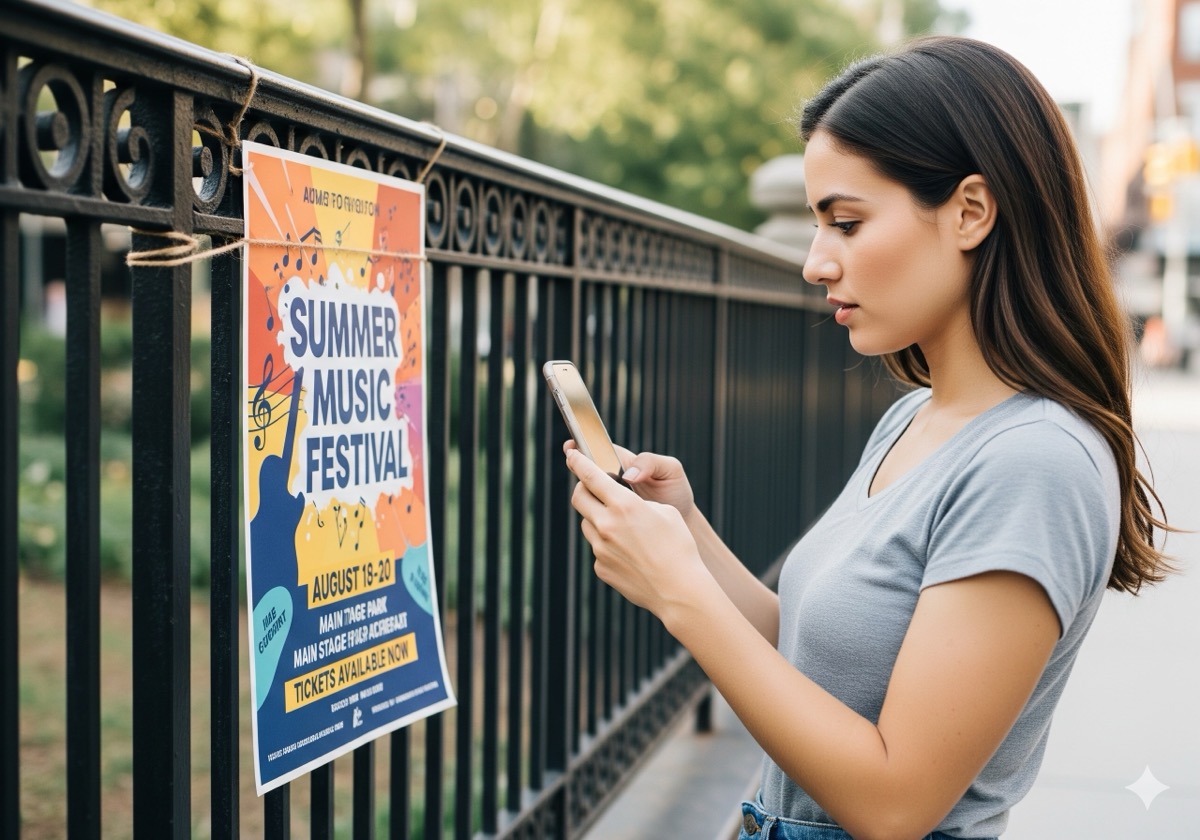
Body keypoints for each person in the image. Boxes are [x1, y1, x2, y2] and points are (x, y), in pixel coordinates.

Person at [563, 36, 1175, 840]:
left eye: (846, 223)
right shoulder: (915, 416)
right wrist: (689, 536)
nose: (816, 263)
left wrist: (680, 593)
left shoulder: (1035, 462)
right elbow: (822, 656)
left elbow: (894, 802)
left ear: (970, 212)